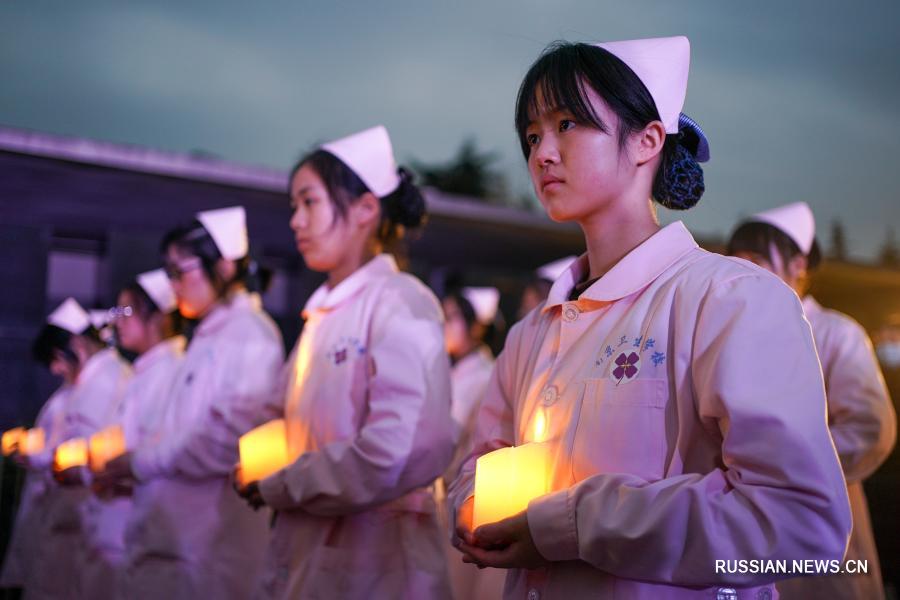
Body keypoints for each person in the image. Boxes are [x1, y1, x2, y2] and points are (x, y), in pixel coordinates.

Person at [448, 36, 851, 599]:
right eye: (533, 134)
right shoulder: (532, 332)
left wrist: (572, 524)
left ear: (647, 139)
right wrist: (469, 503)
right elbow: (481, 456)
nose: (541, 152)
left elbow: (797, 521)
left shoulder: (730, 300)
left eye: (567, 124)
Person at [236, 125, 454, 599]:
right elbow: (280, 415)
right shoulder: (321, 316)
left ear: (365, 208)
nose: (296, 221)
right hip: (308, 549)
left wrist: (285, 483)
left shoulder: (400, 302)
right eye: (294, 206)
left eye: (309, 202)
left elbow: (400, 448)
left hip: (379, 564)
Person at [101, 206, 284, 599]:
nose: (173, 284)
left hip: (207, 550)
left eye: (179, 271)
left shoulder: (249, 335)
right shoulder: (208, 337)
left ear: (223, 266)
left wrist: (140, 462)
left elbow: (223, 441)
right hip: (170, 542)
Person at [728, 202, 897, 599]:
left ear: (798, 264)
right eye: (736, 264)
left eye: (756, 261)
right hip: (746, 527)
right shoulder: (733, 336)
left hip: (822, 529)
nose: (744, 275)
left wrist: (776, 460)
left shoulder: (838, 334)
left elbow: (870, 430)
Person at [85, 269, 185, 598]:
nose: (118, 322)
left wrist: (117, 471)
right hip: (116, 524)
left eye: (126, 311)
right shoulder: (142, 372)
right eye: (116, 313)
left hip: (139, 525)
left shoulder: (173, 370)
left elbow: (163, 453)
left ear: (157, 315)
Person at [0, 299, 83, 595]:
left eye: (57, 359)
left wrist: (38, 455)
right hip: (49, 495)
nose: (57, 369)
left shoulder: (96, 385)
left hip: (69, 500)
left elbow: (76, 446)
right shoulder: (69, 391)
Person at [441, 287, 506, 600]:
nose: (444, 325)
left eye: (452, 317)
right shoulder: (450, 372)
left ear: (476, 325)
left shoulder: (485, 375)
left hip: (460, 493)